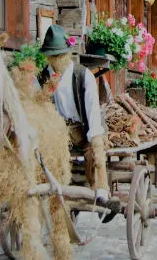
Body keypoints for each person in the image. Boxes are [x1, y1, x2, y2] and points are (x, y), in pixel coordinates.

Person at [39, 25, 108, 204]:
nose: (56, 60)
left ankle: (99, 190)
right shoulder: (43, 78)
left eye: (60, 55)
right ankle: (53, 192)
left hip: (84, 129)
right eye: (52, 56)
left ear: (68, 54)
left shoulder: (83, 76)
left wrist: (94, 141)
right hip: (59, 133)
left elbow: (93, 114)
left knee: (92, 155)